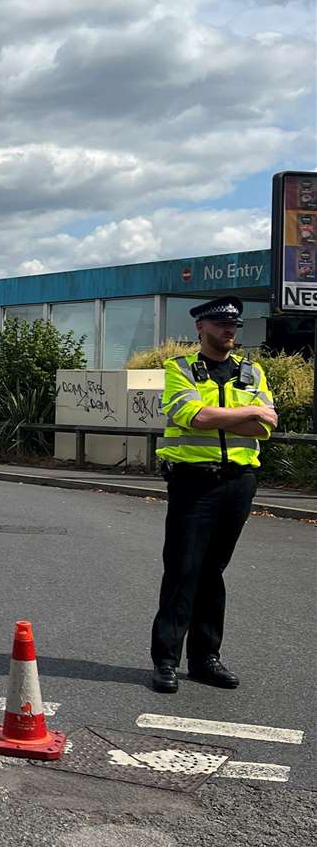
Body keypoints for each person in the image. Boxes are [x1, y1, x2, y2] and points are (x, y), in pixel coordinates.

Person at [151, 297, 277, 693]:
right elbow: (194, 417)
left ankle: (206, 659)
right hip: (194, 482)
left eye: (234, 325)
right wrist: (245, 415)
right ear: (200, 328)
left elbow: (267, 426)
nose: (229, 331)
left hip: (238, 482)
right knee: (183, 569)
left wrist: (228, 419)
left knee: (213, 572)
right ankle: (166, 662)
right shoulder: (180, 369)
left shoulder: (252, 372)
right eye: (221, 323)